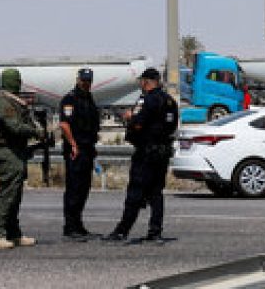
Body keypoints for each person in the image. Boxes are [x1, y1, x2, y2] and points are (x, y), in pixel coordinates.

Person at [103, 67, 178, 243]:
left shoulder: (148, 100)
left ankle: (122, 231)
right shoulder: (169, 101)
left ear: (146, 82)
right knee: (156, 194)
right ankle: (155, 232)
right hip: (162, 153)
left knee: (135, 193)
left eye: (142, 82)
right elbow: (172, 126)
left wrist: (130, 118)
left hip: (146, 153)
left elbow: (139, 123)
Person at [0, 67, 45, 249]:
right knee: (8, 194)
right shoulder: (3, 103)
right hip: (8, 152)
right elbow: (15, 127)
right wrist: (36, 132)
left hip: (17, 151)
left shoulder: (13, 102)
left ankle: (14, 233)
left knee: (16, 194)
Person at [59, 67, 101, 240]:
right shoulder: (70, 99)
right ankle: (70, 226)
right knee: (74, 188)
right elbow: (64, 124)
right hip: (75, 150)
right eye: (84, 80)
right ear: (78, 80)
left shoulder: (89, 99)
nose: (86, 83)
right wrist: (74, 145)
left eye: (89, 81)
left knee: (84, 188)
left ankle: (78, 224)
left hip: (88, 149)